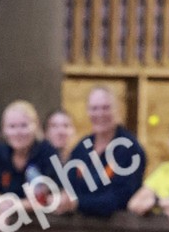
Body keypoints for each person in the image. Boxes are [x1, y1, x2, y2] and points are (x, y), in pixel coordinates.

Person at [61, 86, 146, 217]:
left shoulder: (130, 150)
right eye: (94, 108)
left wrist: (78, 203)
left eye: (106, 108)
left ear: (117, 110)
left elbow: (120, 198)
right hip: (77, 230)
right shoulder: (82, 148)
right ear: (87, 111)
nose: (100, 114)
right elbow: (68, 185)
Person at [0, 100, 63, 213]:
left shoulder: (48, 153)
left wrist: (16, 205)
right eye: (12, 126)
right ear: (4, 130)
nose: (18, 132)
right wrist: (0, 202)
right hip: (6, 222)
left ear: (36, 126)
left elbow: (55, 198)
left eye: (24, 125)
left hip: (46, 223)